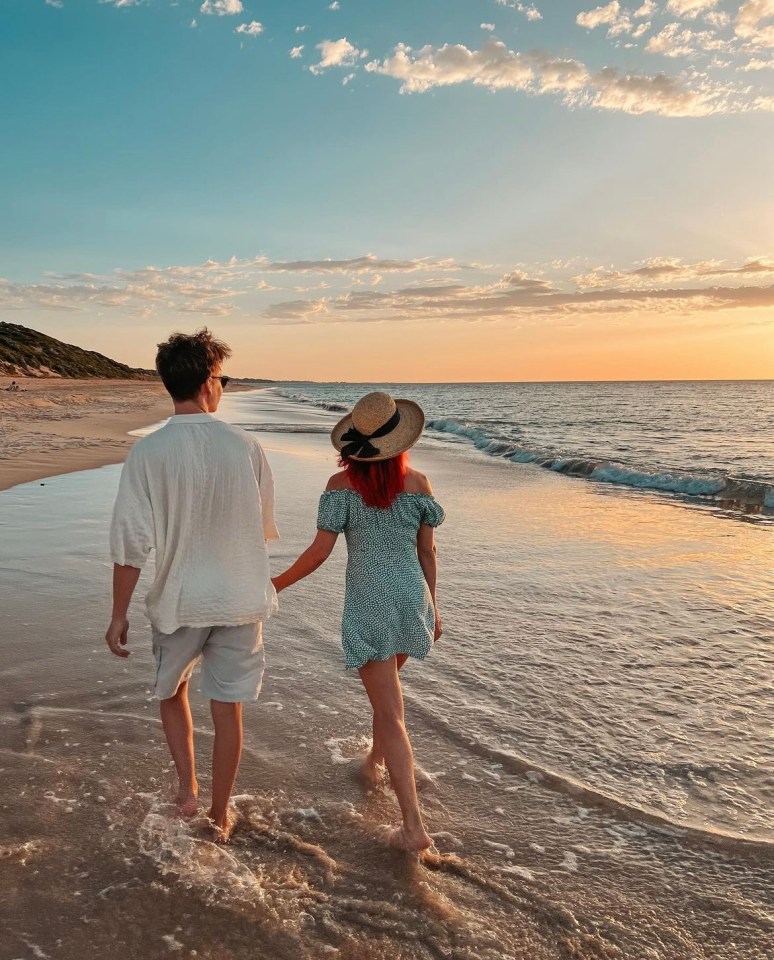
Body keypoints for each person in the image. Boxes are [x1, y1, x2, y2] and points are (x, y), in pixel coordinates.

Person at [105, 328, 279, 842]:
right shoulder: (246, 446)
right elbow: (262, 527)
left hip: (179, 599)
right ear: (207, 382)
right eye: (220, 377)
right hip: (240, 598)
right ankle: (220, 814)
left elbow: (130, 542)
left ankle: (187, 791)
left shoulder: (148, 452)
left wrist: (119, 614)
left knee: (172, 689)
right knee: (228, 707)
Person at [272, 391, 444, 853]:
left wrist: (274, 584)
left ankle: (413, 826)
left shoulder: (339, 487)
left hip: (369, 603)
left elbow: (320, 552)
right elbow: (427, 552)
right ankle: (374, 760)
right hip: (413, 599)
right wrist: (435, 606)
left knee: (390, 710)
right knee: (388, 696)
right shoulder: (420, 484)